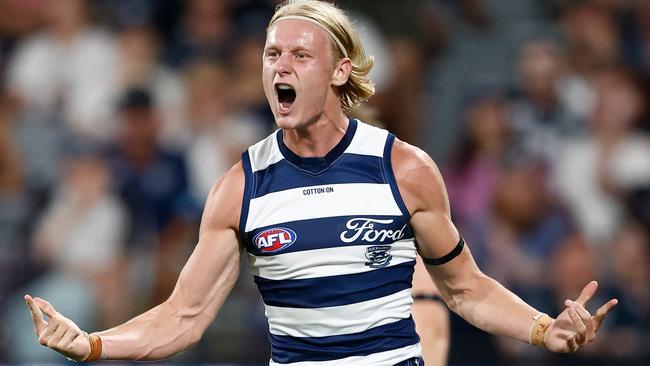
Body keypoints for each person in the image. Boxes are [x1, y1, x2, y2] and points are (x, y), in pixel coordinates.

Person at [25, 1, 618, 365]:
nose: (279, 66)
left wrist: (544, 329)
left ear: (340, 71)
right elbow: (183, 317)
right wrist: (95, 343)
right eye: (270, 53)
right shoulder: (240, 186)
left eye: (299, 55)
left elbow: (467, 290)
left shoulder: (405, 169)